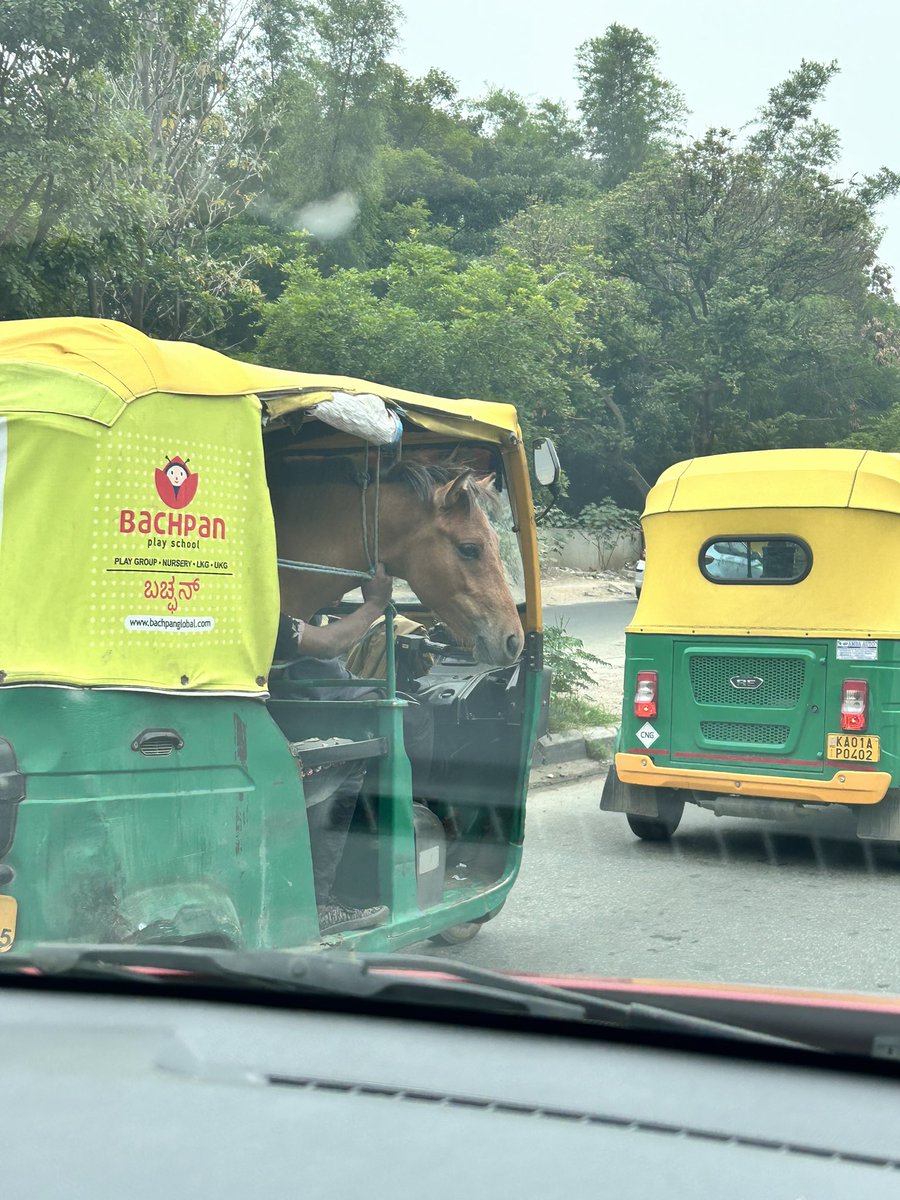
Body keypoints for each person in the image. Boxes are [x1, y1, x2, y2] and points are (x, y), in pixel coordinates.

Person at [275, 565, 433, 935]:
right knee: (371, 748)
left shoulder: (284, 606)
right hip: (307, 715)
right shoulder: (276, 617)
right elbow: (328, 644)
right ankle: (319, 903)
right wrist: (375, 604)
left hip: (303, 708)